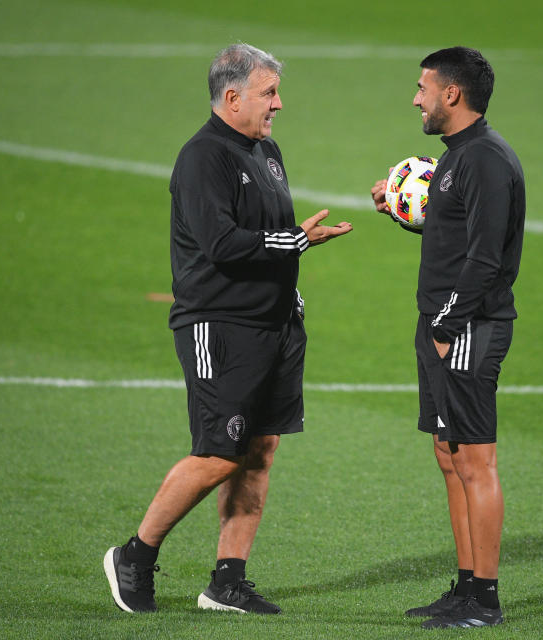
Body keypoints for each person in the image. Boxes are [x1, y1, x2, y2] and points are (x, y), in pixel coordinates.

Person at [105, 43, 351, 615]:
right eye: (269, 93)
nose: (279, 104)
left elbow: (265, 237)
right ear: (232, 96)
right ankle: (135, 556)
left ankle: (227, 581)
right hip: (220, 325)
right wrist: (295, 240)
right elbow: (220, 244)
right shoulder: (203, 157)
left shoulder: (266, 152)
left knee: (260, 449)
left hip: (275, 324)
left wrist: (289, 278)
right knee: (219, 451)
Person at [371, 46, 525, 630]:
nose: (416, 98)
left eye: (422, 88)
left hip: (466, 327)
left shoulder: (485, 158)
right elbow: (455, 237)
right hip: (443, 324)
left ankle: (484, 599)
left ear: (451, 94)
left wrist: (445, 324)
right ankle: (464, 587)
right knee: (448, 453)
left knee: (476, 459)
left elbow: (486, 260)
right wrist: (399, 212)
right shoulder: (458, 158)